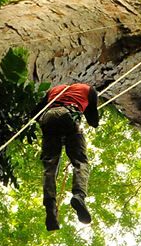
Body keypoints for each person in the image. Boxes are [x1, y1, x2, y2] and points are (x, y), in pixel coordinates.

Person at [35, 83, 100, 231]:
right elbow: (93, 122)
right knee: (80, 162)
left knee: (49, 167)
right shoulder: (89, 90)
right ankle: (79, 196)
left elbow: (35, 113)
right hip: (68, 115)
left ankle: (50, 209)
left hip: (48, 117)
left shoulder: (53, 90)